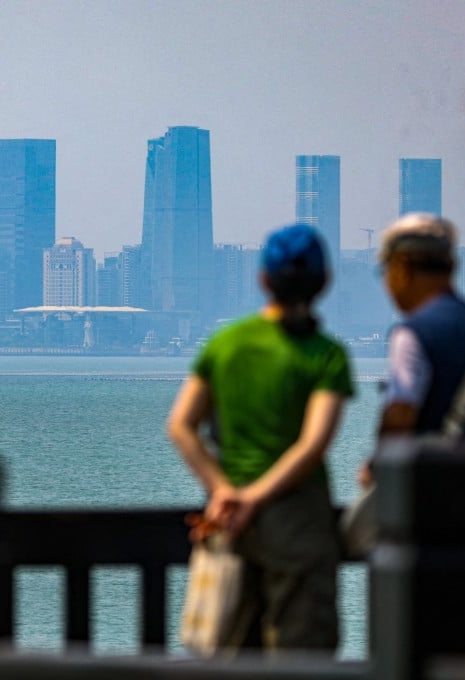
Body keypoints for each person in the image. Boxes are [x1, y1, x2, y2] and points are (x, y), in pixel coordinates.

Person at [168, 223, 354, 652]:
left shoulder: (226, 344)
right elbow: (312, 444)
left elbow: (181, 425)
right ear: (323, 282)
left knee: (233, 654)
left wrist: (225, 490)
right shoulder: (327, 355)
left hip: (229, 522)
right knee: (301, 657)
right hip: (298, 523)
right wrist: (257, 497)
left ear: (262, 280)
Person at [366, 212, 465, 654]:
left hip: (431, 538)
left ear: (402, 269)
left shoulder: (412, 335)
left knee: (421, 655)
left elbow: (401, 414)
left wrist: (378, 472)